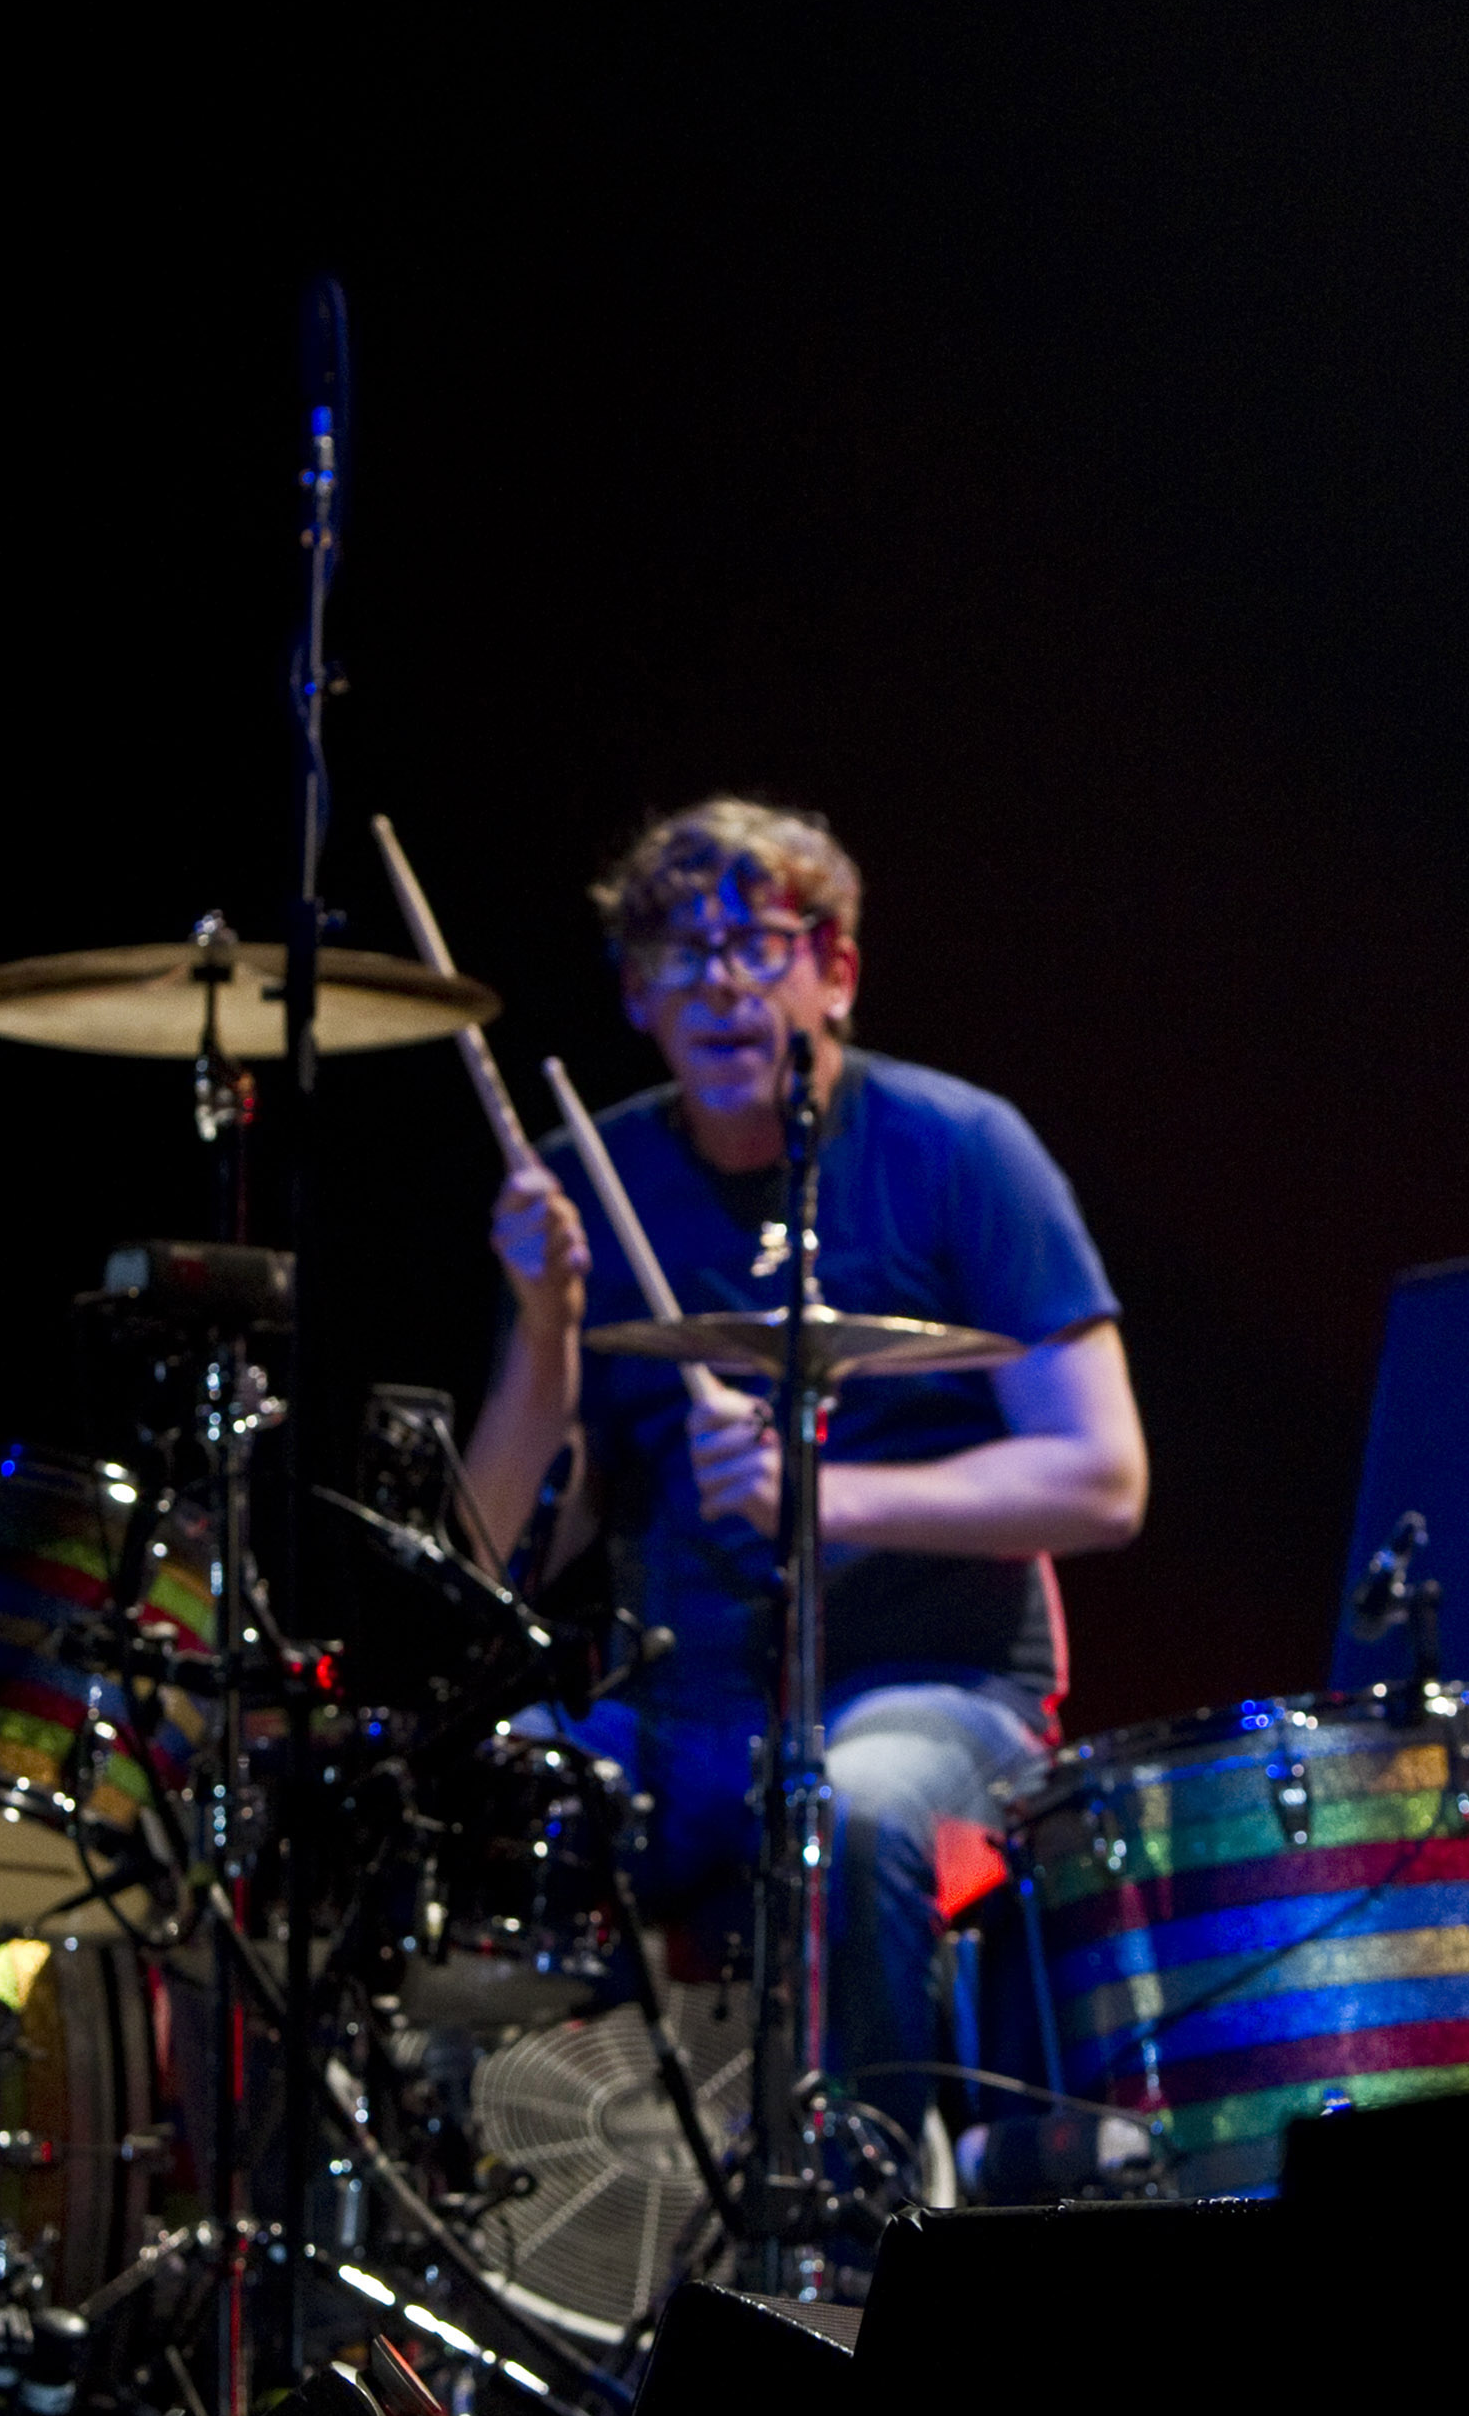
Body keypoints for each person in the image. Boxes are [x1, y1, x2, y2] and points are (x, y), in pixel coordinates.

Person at [461, 797, 1147, 2170]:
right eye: (677, 949)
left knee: (852, 1801)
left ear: (835, 967)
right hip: (679, 1708)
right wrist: (543, 1328)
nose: (719, 980)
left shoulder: (959, 1149)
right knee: (463, 1792)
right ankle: (512, 2247)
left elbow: (1104, 1477)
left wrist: (822, 1496)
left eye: (756, 942)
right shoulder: (601, 1172)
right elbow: (499, 1544)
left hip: (936, 1697)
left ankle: (870, 2224)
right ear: (636, 995)